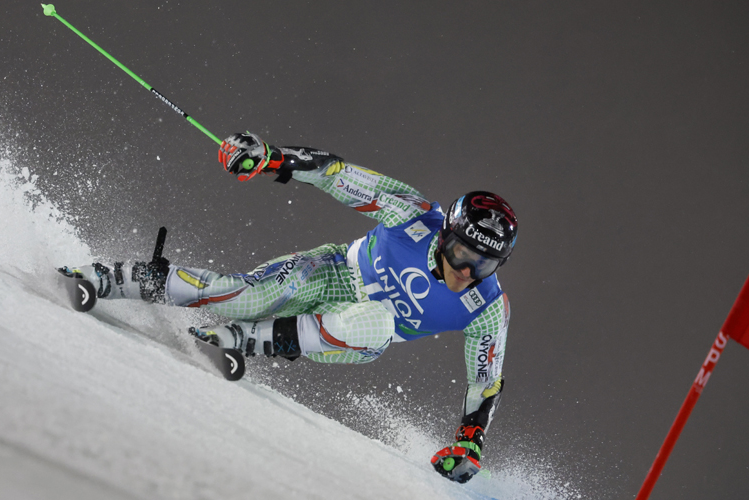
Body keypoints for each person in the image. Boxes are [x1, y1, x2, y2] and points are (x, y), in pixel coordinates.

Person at [61, 133, 518, 484]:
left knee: (378, 321)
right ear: (446, 236)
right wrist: (270, 157)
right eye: (462, 254)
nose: (467, 271)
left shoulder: (487, 307)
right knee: (246, 296)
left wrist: (469, 444)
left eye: (486, 264)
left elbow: (485, 381)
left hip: (356, 336)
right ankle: (115, 278)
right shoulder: (416, 215)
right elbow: (336, 174)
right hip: (334, 270)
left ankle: (244, 341)